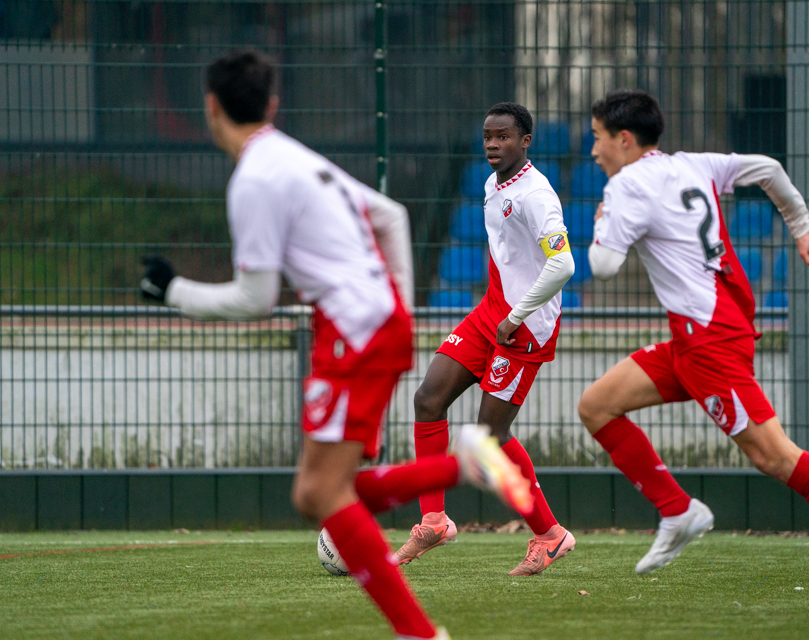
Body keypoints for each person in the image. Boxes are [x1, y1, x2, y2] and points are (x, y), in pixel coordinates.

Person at [139, 49, 535, 640]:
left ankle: (424, 612)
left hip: (354, 333)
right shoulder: (293, 155)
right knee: (316, 491)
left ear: (211, 107)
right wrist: (397, 309)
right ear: (272, 105)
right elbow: (392, 217)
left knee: (321, 490)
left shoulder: (253, 178)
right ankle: (460, 480)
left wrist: (172, 291)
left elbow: (255, 298)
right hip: (373, 326)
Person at [577, 88, 809, 617]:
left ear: (624, 139)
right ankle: (678, 511)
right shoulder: (694, 164)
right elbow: (768, 167)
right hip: (699, 333)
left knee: (773, 456)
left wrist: (603, 220)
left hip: (709, 339)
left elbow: (602, 266)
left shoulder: (626, 184)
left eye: (598, 137)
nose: (594, 150)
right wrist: (801, 225)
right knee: (597, 404)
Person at [394, 103, 576, 576]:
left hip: (525, 325)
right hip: (492, 311)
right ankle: (433, 521)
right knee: (428, 399)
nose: (493, 144)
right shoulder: (493, 185)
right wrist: (500, 308)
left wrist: (517, 314)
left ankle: (550, 535)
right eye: (488, 137)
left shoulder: (537, 195)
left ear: (525, 141)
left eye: (503, 137)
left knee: (488, 439)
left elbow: (563, 265)